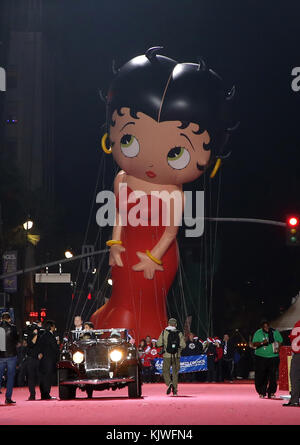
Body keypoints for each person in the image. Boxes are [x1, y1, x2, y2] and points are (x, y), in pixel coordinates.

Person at [90, 47, 237, 342]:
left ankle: (149, 336)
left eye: (177, 153)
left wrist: (154, 256)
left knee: (147, 296)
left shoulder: (174, 193)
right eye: (129, 140)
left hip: (156, 256)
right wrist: (115, 243)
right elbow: (119, 215)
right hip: (126, 247)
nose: (155, 162)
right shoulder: (123, 179)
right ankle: (111, 317)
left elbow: (171, 231)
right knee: (121, 291)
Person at [252, 320, 283, 399]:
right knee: (261, 375)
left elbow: (280, 341)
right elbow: (254, 344)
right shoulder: (258, 333)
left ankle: (271, 392)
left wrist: (277, 346)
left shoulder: (275, 332)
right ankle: (261, 392)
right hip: (260, 357)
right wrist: (262, 343)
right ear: (262, 327)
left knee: (273, 375)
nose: (266, 328)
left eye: (267, 326)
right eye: (264, 327)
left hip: (273, 357)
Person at [157, 318, 186, 396]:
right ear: (175, 324)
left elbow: (158, 343)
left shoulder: (164, 332)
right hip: (176, 356)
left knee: (165, 371)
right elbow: (183, 345)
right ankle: (175, 391)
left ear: (168, 324)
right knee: (175, 373)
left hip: (167, 355)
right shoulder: (179, 333)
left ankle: (169, 383)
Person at [38, 320, 60, 400]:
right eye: (53, 326)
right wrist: (58, 345)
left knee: (43, 377)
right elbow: (54, 348)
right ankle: (46, 394)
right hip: (49, 360)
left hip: (43, 360)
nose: (54, 328)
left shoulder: (42, 335)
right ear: (51, 327)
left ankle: (43, 394)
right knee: (48, 377)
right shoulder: (50, 336)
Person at [0, 312, 19, 404]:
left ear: (1, 319)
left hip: (0, 356)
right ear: (9, 319)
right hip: (11, 355)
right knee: (10, 377)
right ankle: (8, 398)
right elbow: (17, 340)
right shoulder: (13, 328)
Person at [283, 319, 300, 407]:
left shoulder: (297, 324)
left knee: (295, 377)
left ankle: (295, 400)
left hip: (298, 354)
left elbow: (292, 339)